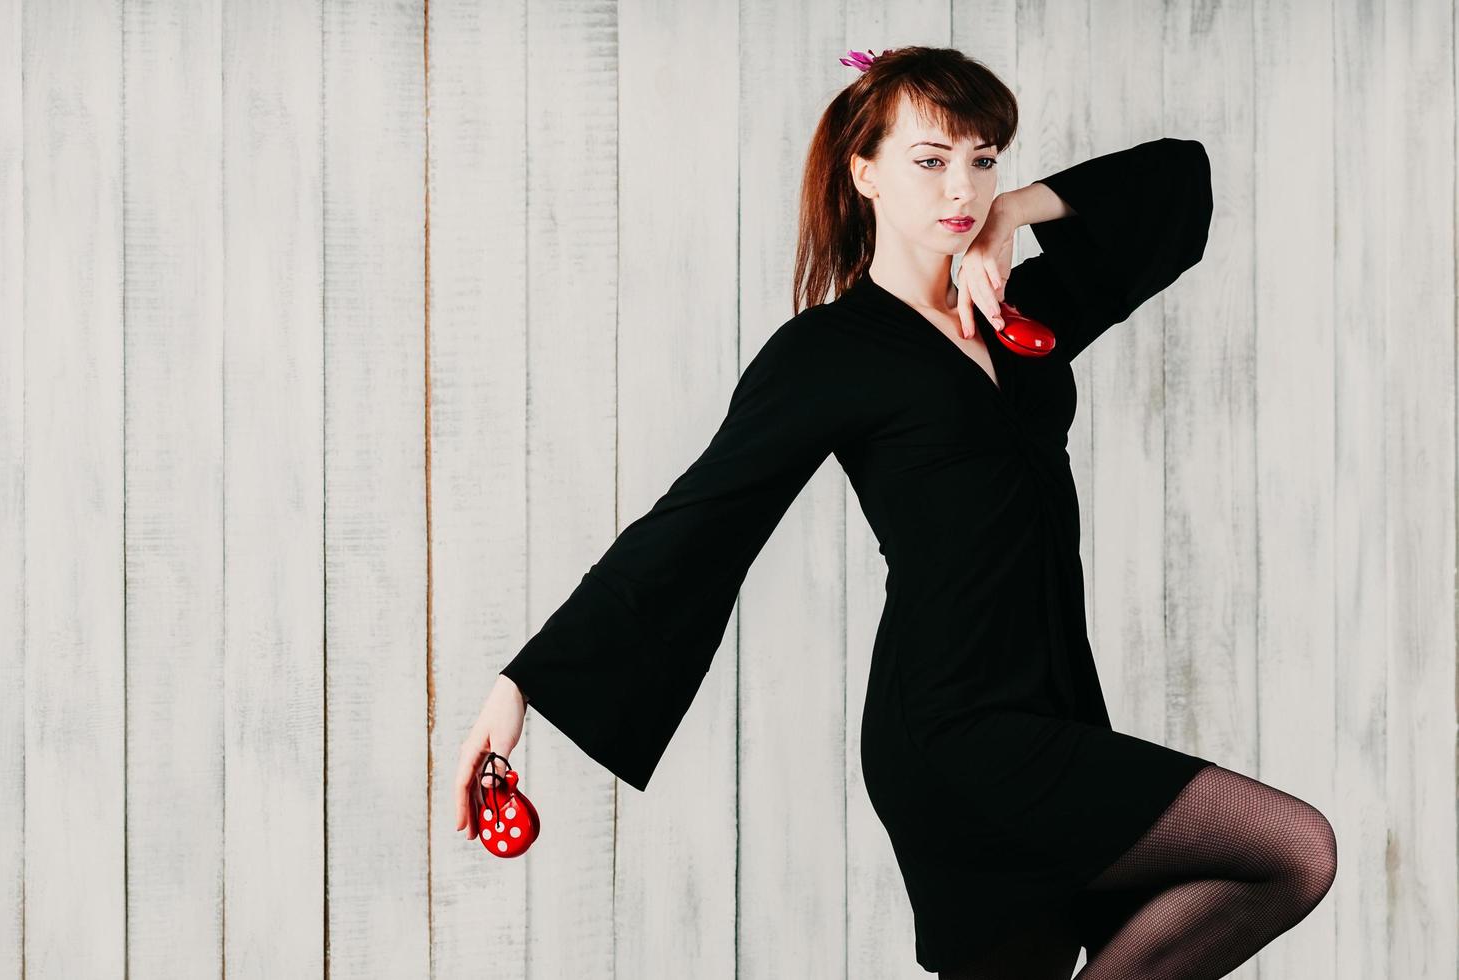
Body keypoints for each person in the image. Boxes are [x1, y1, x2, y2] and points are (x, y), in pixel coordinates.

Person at [452, 45, 1336, 978]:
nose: (963, 184)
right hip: (950, 728)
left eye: (983, 157)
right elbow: (697, 520)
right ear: (863, 171)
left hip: (1055, 703)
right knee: (1293, 850)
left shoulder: (1023, 314)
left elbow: (1179, 185)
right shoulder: (828, 351)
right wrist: (522, 687)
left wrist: (1019, 212)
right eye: (931, 159)